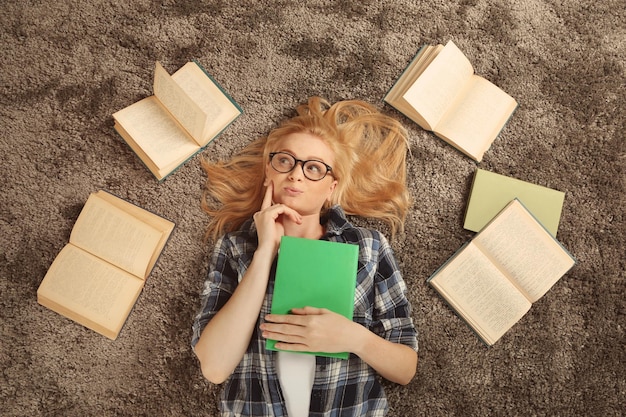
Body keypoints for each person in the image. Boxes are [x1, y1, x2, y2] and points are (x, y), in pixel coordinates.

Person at [192, 97, 418, 416]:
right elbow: (214, 368)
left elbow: (406, 368)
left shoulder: (369, 246)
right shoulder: (235, 247)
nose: (296, 175)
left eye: (313, 168)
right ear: (269, 171)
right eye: (285, 161)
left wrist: (353, 337)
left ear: (331, 187)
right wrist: (265, 253)